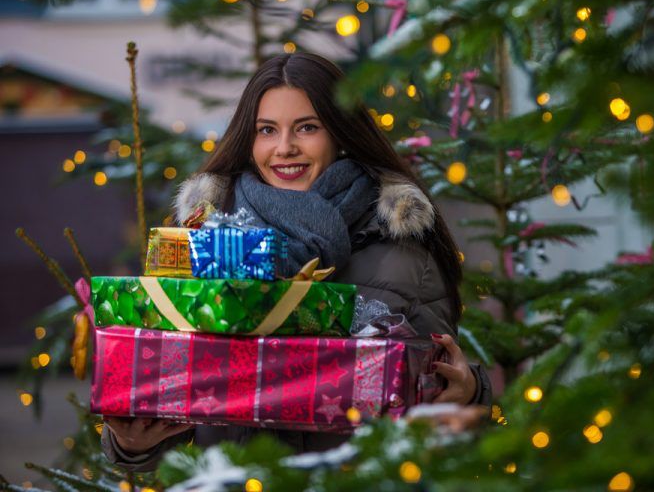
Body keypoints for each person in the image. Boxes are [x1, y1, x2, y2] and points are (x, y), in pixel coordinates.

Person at [103, 52, 492, 471]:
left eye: (307, 128)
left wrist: (471, 391)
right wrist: (130, 443)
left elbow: (446, 412)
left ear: (340, 133)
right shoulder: (203, 247)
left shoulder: (402, 252)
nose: (284, 148)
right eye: (266, 130)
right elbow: (167, 409)